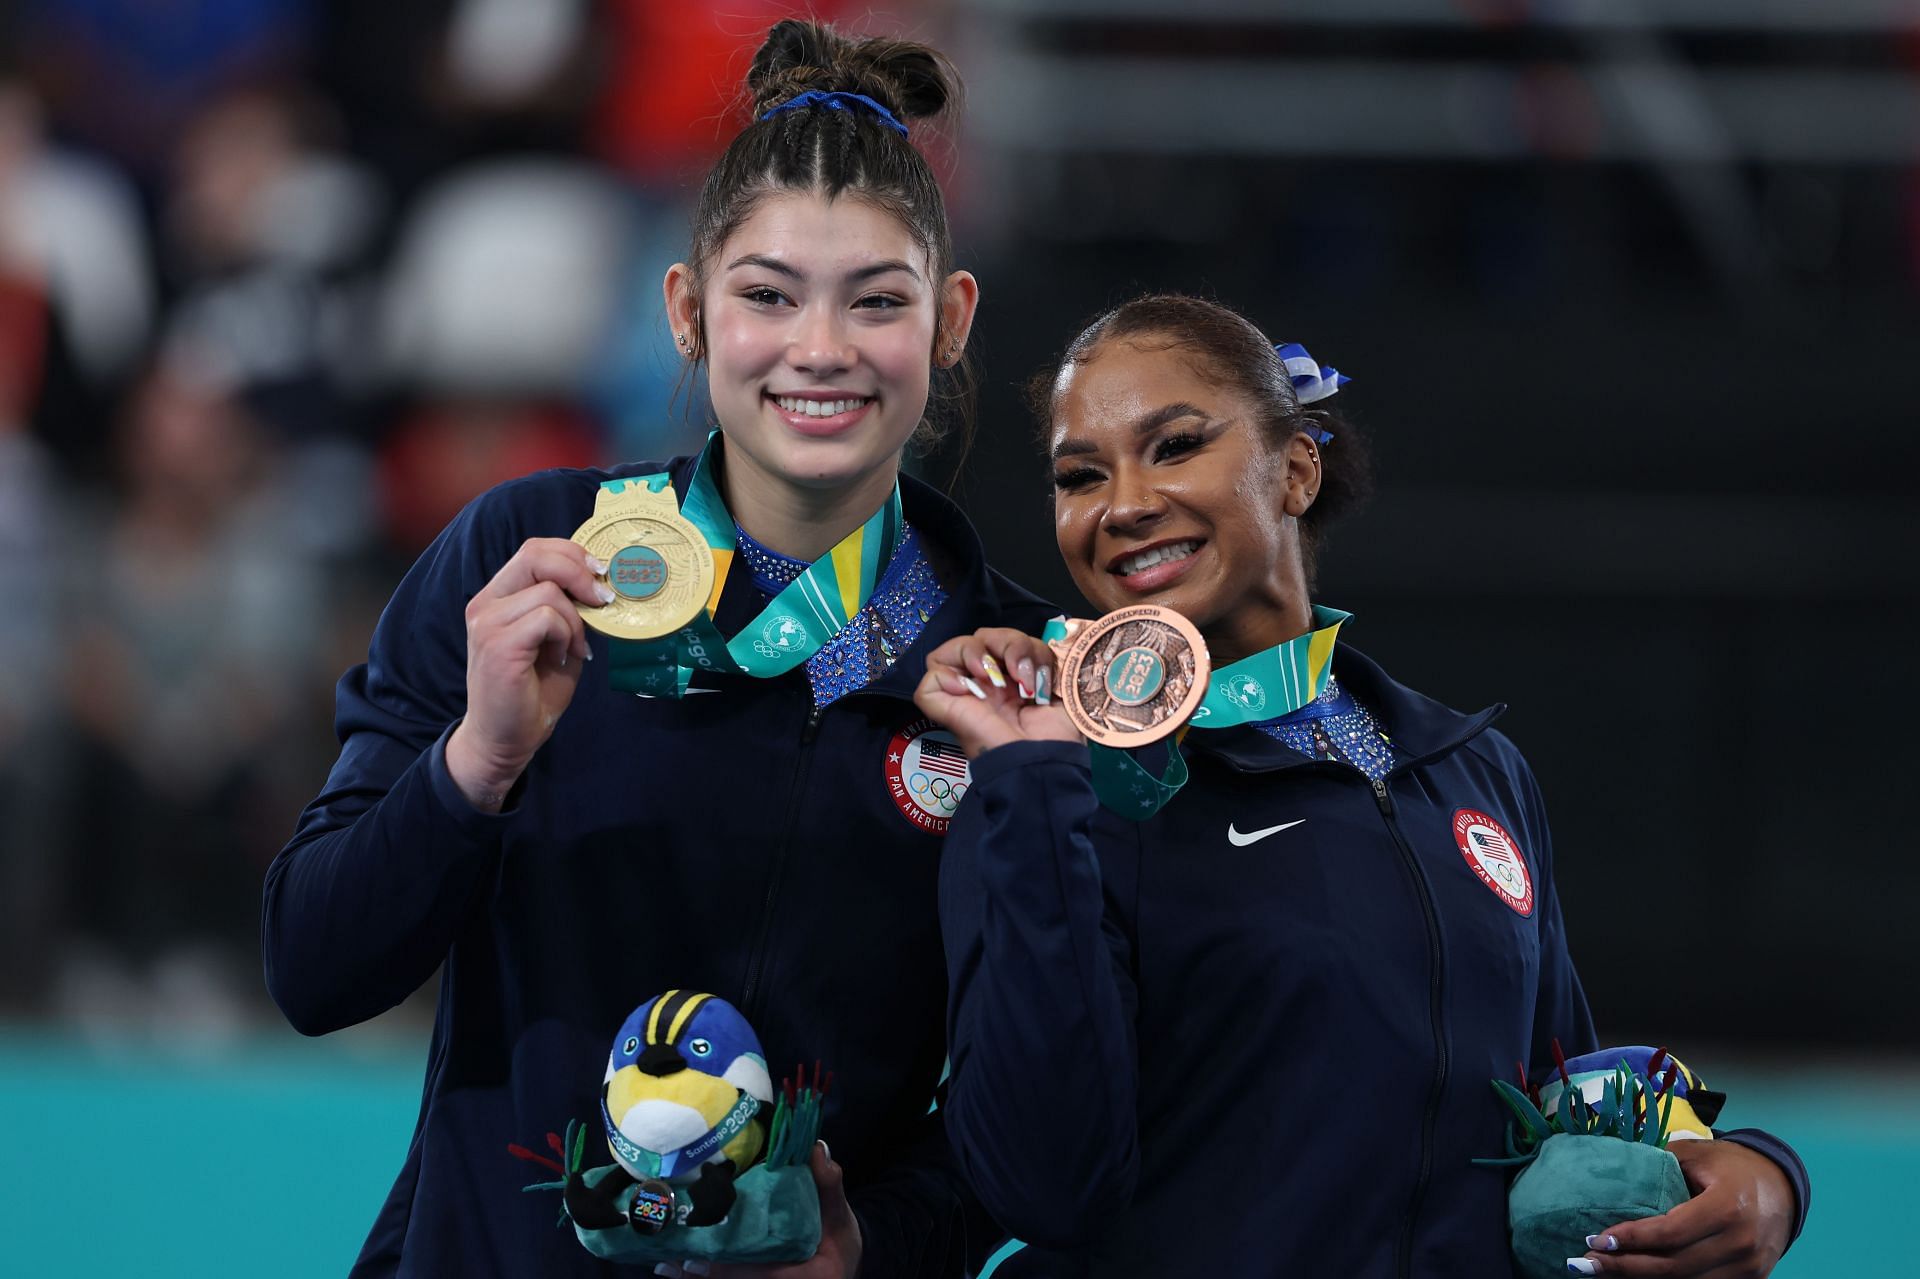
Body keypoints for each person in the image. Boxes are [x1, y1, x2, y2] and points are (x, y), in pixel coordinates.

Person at [262, 21, 1048, 1277]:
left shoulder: (1005, 669)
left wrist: (874, 1246)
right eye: (769, 294)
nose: (822, 348)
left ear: (950, 321)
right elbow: (313, 966)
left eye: (878, 301)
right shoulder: (527, 556)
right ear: (687, 310)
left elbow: (1040, 1127)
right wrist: (475, 762)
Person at [914, 294, 1810, 1278]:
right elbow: (1043, 1184)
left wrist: (1762, 1177)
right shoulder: (1054, 786)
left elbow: (1557, 1112)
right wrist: (1036, 787)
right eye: (1080, 475)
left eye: (1174, 445)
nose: (1123, 501)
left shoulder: (1470, 769)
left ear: (1297, 466)